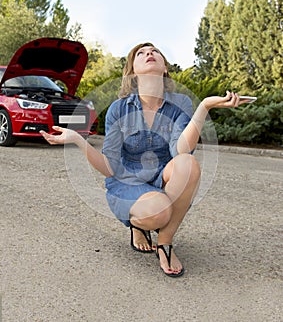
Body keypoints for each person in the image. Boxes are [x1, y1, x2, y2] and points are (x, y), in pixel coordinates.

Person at [40, 42, 246, 277]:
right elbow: (110, 168)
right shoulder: (119, 109)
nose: (149, 53)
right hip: (127, 183)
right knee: (159, 211)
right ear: (133, 71)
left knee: (188, 164)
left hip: (161, 178)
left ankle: (165, 243)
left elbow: (181, 151)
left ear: (164, 67)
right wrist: (78, 139)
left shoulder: (181, 104)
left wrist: (204, 107)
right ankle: (138, 223)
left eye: (154, 51)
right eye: (141, 53)